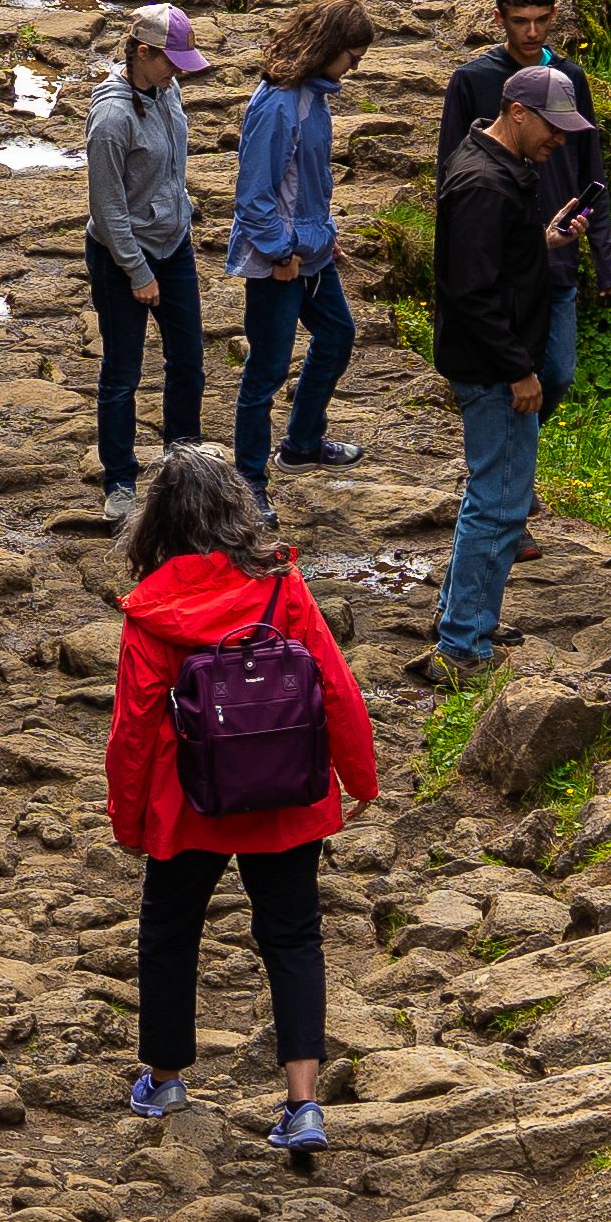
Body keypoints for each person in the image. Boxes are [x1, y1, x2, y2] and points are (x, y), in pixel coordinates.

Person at [103, 448, 379, 1158]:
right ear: (237, 511)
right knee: (292, 936)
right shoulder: (282, 587)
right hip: (286, 788)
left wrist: (128, 816)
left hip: (187, 796)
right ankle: (304, 1104)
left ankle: (164, 1080)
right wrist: (360, 777)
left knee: (170, 931)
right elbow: (336, 687)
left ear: (156, 521)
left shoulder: (153, 606)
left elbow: (135, 722)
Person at [435, 0, 604, 545]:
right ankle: (505, 484)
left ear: (555, 16)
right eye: (519, 21)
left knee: (554, 373)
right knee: (517, 381)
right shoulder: (474, 82)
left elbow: (589, 169)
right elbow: (453, 167)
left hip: (550, 255)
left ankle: (508, 472)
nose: (531, 31)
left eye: (541, 20)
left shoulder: (569, 80)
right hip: (496, 258)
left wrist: (598, 254)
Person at [430, 64, 589, 669]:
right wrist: (520, 369)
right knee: (499, 503)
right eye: (553, 127)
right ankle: (461, 645)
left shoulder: (497, 166)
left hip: (496, 360)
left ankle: (467, 622)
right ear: (518, 112)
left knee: (496, 498)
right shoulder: (483, 184)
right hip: (494, 368)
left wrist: (540, 240)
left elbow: (492, 260)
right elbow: (471, 292)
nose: (561, 140)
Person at [228, 0, 377, 509]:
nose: (353, 68)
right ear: (328, 48)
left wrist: (323, 231)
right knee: (267, 369)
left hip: (311, 248)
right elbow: (254, 195)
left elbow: (309, 178)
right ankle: (249, 481)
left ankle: (302, 443)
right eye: (351, 58)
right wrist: (278, 253)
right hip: (281, 260)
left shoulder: (315, 93)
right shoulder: (277, 104)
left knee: (337, 335)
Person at [83, 5, 206, 520]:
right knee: (122, 373)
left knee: (190, 363)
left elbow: (172, 164)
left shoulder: (167, 90)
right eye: (170, 61)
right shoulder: (111, 119)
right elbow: (107, 208)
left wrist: (183, 210)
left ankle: (183, 470)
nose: (178, 70)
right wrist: (138, 272)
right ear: (141, 52)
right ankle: (120, 482)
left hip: (173, 243)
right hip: (120, 256)